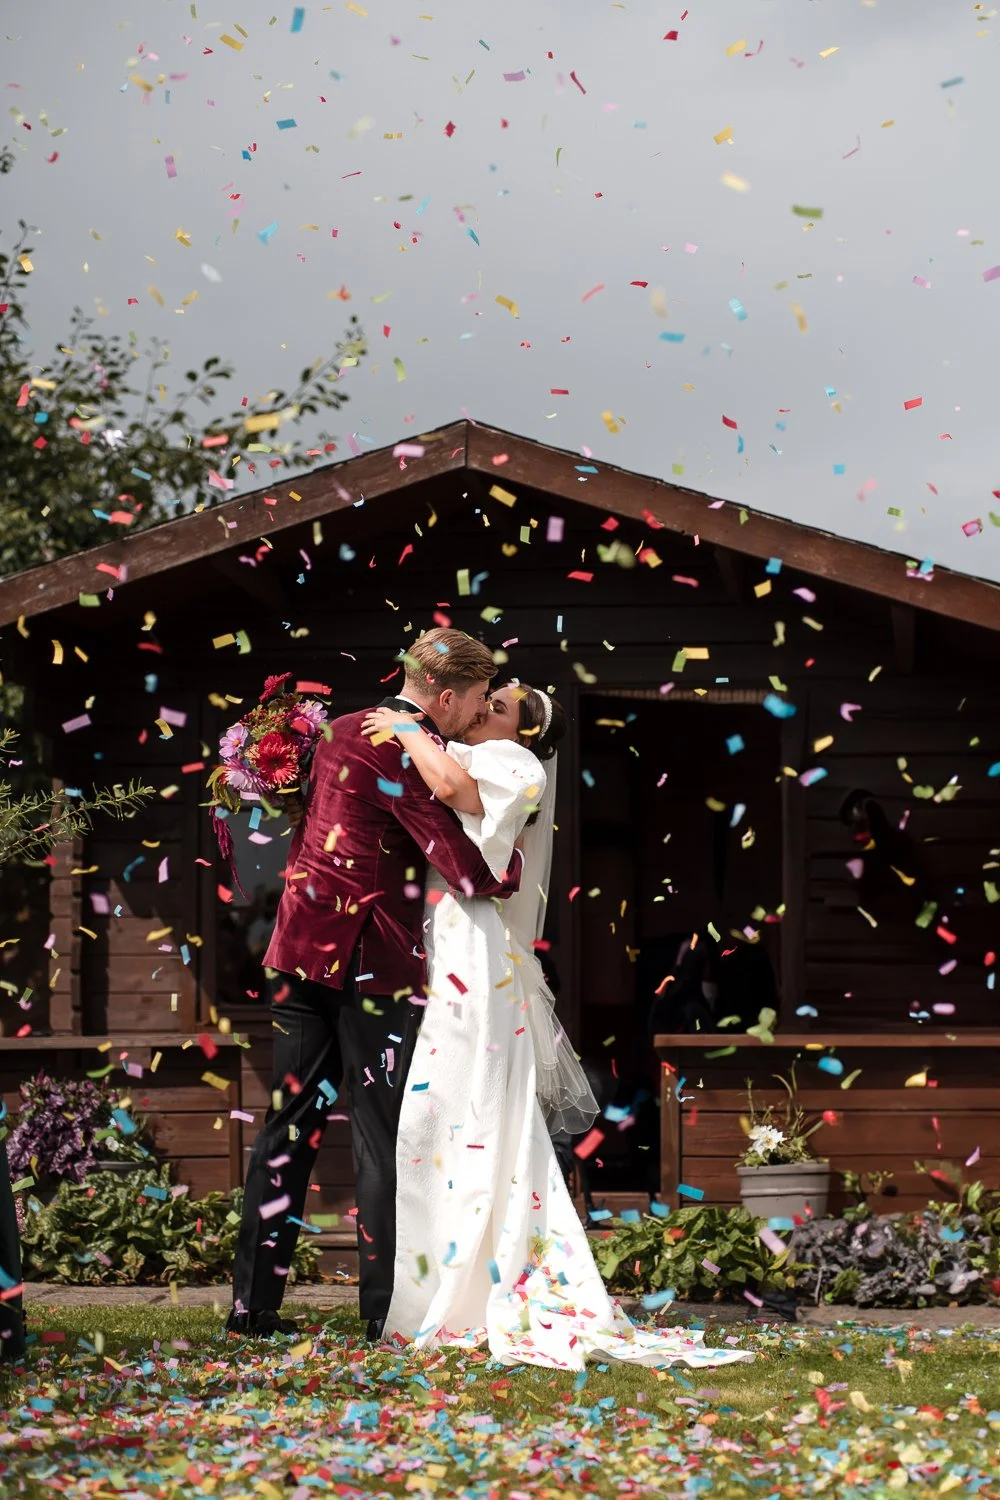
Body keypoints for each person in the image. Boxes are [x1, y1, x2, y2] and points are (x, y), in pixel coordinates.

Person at [362, 684, 753, 1372]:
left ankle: (476, 1285)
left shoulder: (518, 768)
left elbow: (451, 787)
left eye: (501, 706)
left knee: (468, 1111)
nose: (484, 709)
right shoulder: (465, 746)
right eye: (487, 699)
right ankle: (435, 1287)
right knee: (432, 1120)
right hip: (440, 937)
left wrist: (404, 726)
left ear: (528, 732)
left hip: (476, 952)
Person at [227, 629, 523, 1340]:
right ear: (445, 696)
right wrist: (502, 877)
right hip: (368, 962)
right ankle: (381, 1308)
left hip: (299, 949)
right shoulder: (406, 746)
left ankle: (252, 1306)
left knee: (286, 1128)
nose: (477, 715)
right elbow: (445, 844)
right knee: (380, 1134)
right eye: (478, 701)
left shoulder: (340, 729)